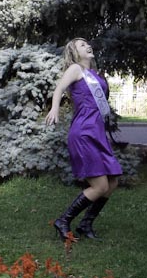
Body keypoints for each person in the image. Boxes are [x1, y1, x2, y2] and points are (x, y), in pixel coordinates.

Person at [45, 38, 123, 242]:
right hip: (84, 132)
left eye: (88, 43)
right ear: (74, 52)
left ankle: (86, 224)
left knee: (112, 181)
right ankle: (63, 220)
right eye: (81, 45)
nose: (87, 46)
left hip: (97, 133)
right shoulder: (75, 69)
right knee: (100, 186)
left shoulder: (94, 74)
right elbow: (59, 88)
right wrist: (55, 108)